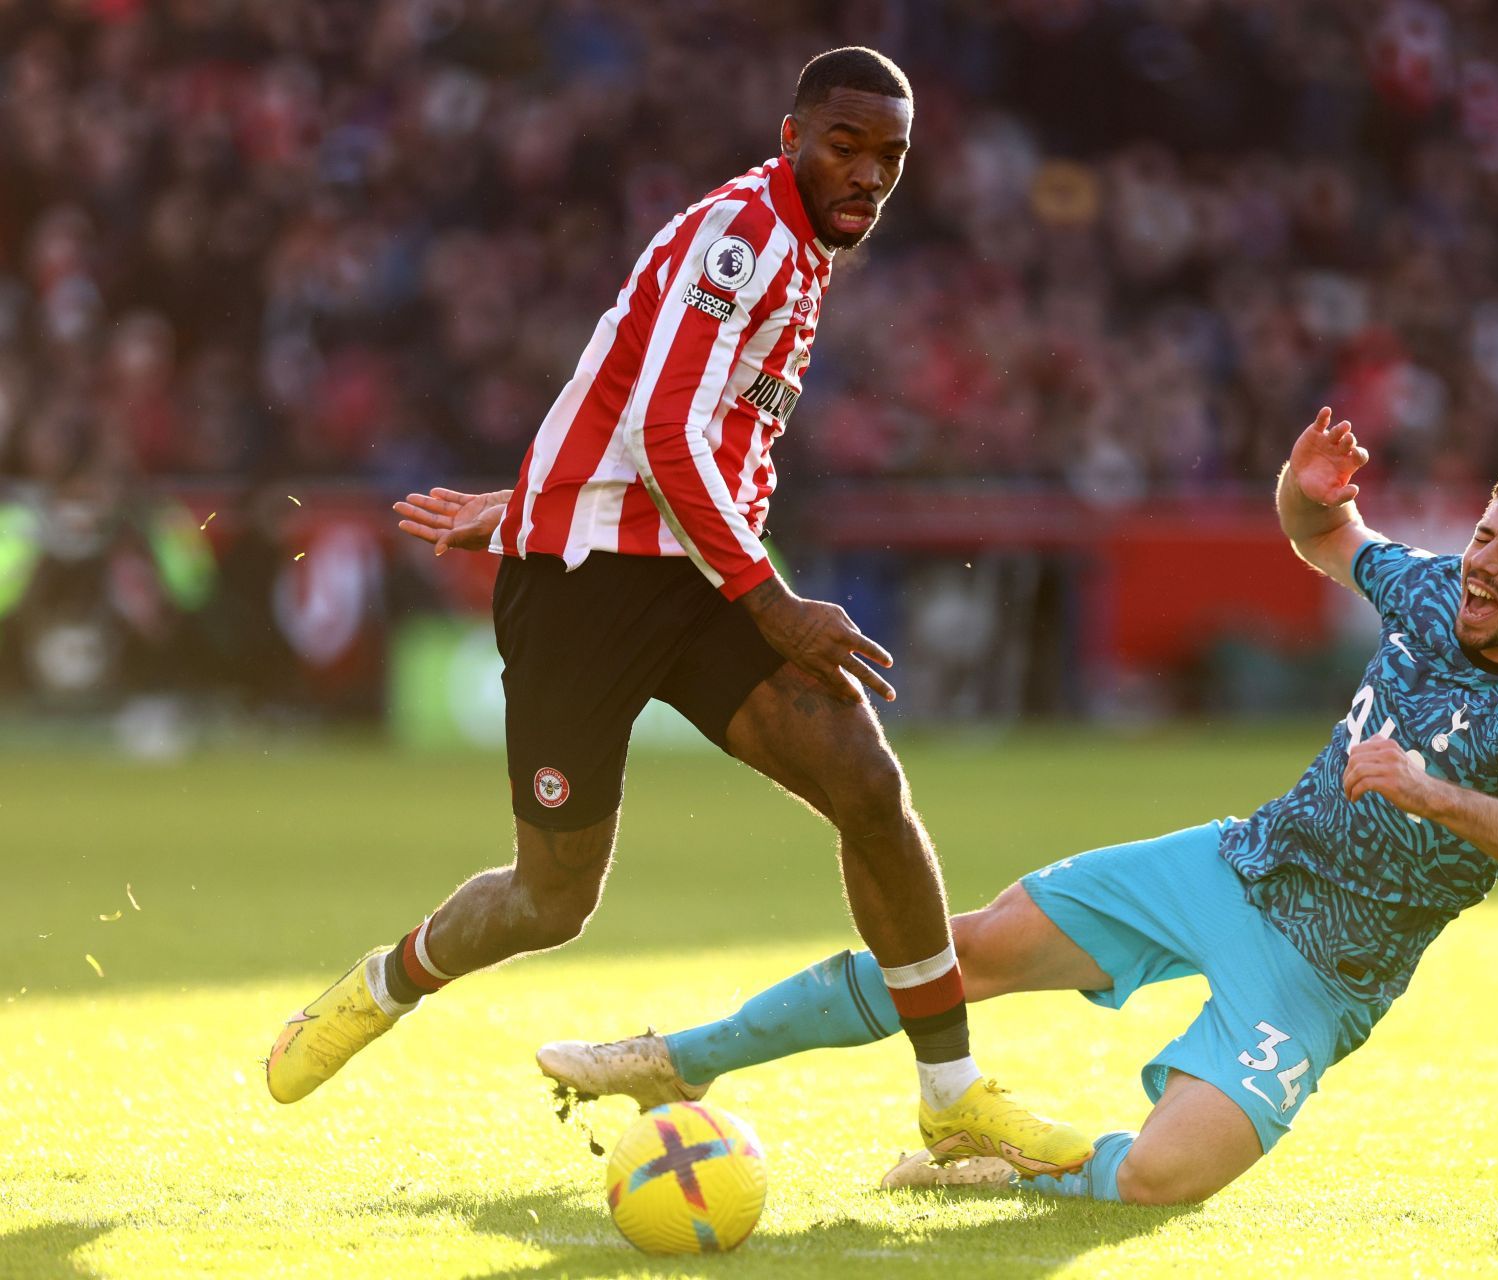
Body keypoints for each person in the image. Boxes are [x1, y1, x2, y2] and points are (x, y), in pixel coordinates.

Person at [264, 46, 1090, 1178]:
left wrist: (542, 490)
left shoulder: (805, 250)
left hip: (686, 567)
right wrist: (773, 598)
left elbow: (642, 396)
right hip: (587, 591)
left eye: (889, 157)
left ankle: (952, 1101)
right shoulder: (744, 240)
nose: (867, 174)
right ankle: (385, 982)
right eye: (844, 145)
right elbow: (666, 433)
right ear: (790, 133)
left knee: (866, 778)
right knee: (551, 899)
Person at [528, 408, 1498, 1204]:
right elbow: (1322, 536)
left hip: (1325, 972)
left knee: (1164, 1176)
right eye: (1483, 533)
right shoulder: (1432, 589)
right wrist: (1308, 488)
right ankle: (680, 1053)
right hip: (1238, 864)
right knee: (964, 949)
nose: (1480, 561)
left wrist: (1429, 794)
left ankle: (1009, 1169)